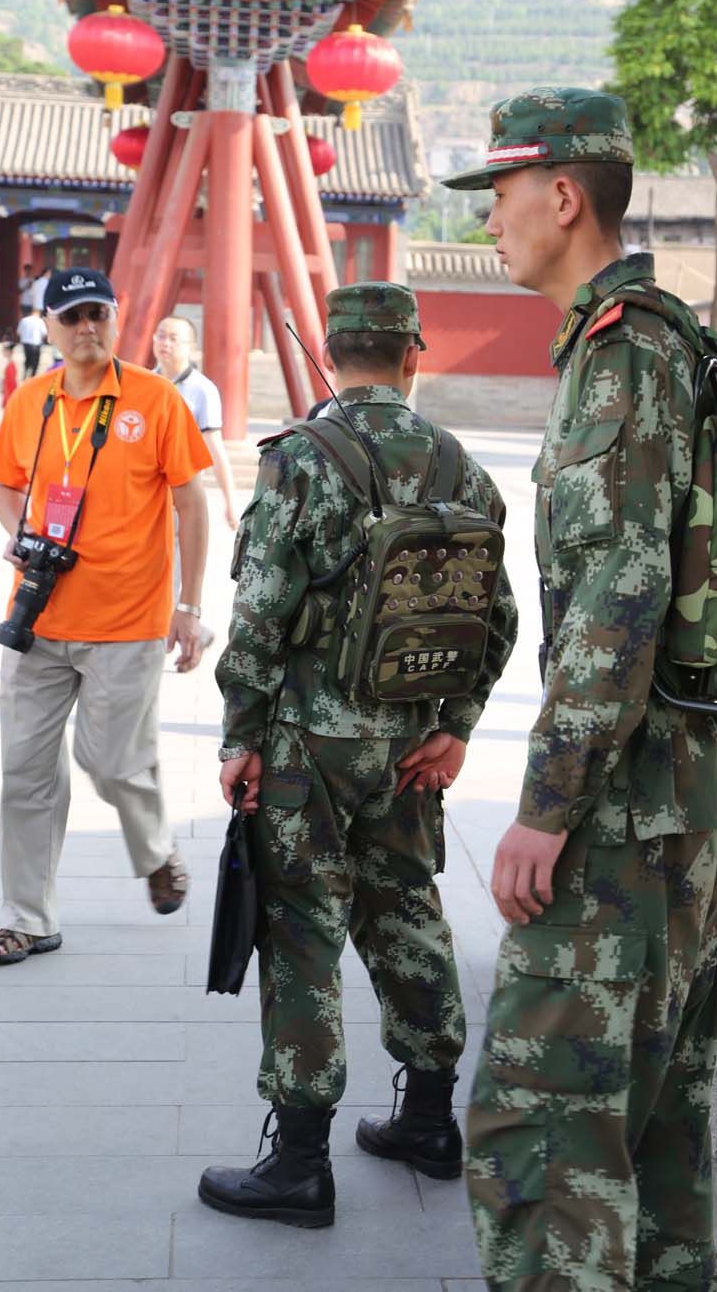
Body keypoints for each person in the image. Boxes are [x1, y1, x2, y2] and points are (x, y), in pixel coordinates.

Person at [442, 88, 717, 1292]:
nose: (490, 223)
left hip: (623, 810)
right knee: (654, 1131)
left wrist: (545, 808)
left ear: (562, 195)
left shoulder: (621, 354)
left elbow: (619, 600)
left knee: (543, 1133)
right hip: (680, 789)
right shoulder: (670, 340)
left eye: (501, 195)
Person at [198, 281, 519, 1227]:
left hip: (311, 745)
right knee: (406, 907)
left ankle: (300, 1161)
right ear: (414, 355)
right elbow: (498, 617)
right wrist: (456, 723)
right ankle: (428, 1120)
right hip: (411, 744)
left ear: (331, 353)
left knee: (303, 930)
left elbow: (261, 610)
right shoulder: (462, 467)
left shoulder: (301, 457)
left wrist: (241, 735)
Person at [0, 267, 212, 968]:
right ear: (48, 326)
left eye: (97, 314)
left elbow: (192, 501)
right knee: (25, 773)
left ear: (116, 318)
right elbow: (4, 486)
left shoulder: (154, 398)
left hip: (128, 621)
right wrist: (21, 532)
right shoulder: (31, 401)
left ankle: (156, 850)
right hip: (38, 618)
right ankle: (28, 917)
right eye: (72, 316)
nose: (87, 328)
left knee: (110, 761)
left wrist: (189, 607)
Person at [152, 315, 240, 530]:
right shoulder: (145, 384)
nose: (165, 343)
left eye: (173, 338)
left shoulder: (202, 390)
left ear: (190, 347)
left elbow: (214, 446)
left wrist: (230, 502)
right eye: (161, 336)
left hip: (181, 495)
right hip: (146, 493)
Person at [16, 308, 47, 379]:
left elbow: (18, 332)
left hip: (26, 343)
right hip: (36, 343)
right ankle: (33, 376)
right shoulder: (40, 321)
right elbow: (44, 333)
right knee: (35, 361)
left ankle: (25, 373)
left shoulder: (24, 320)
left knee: (27, 359)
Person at [1, 339, 18, 407]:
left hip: (9, 392)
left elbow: (12, 382)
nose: (3, 352)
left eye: (4, 350)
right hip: (7, 391)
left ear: (9, 352)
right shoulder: (10, 364)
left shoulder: (11, 366)